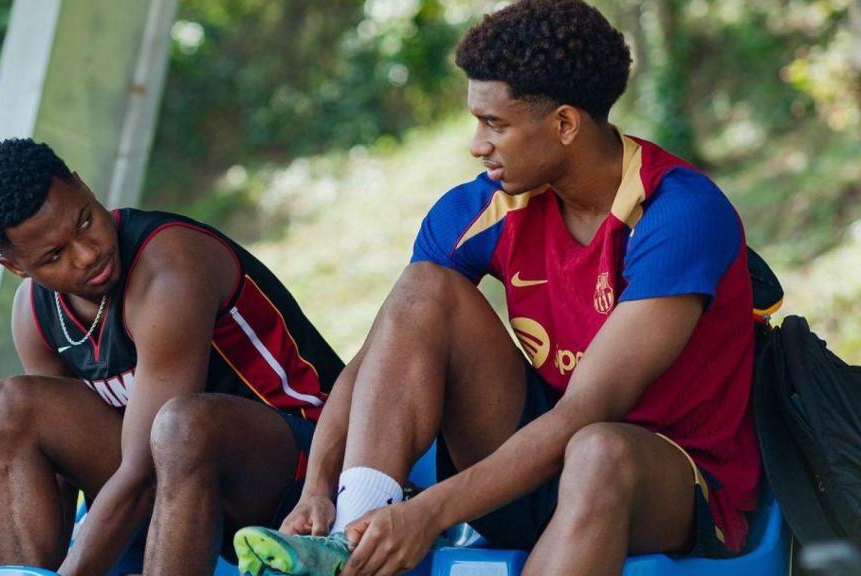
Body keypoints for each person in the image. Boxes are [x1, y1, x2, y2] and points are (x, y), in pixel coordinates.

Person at [232, 1, 761, 575]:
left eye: (496, 124)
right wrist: (319, 488)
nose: (477, 145)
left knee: (598, 451)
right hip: (529, 468)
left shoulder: (677, 213)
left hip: (671, 484)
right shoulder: (482, 207)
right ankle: (349, 546)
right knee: (423, 290)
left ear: (563, 124)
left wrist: (428, 514)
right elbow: (378, 357)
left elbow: (587, 411)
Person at [0, 138, 343, 576]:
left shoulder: (168, 267)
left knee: (180, 426)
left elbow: (143, 468)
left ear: (83, 186)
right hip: (179, 489)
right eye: (54, 255)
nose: (88, 254)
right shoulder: (34, 314)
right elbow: (59, 467)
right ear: (17, 268)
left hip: (303, 470)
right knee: (3, 409)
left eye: (84, 222)